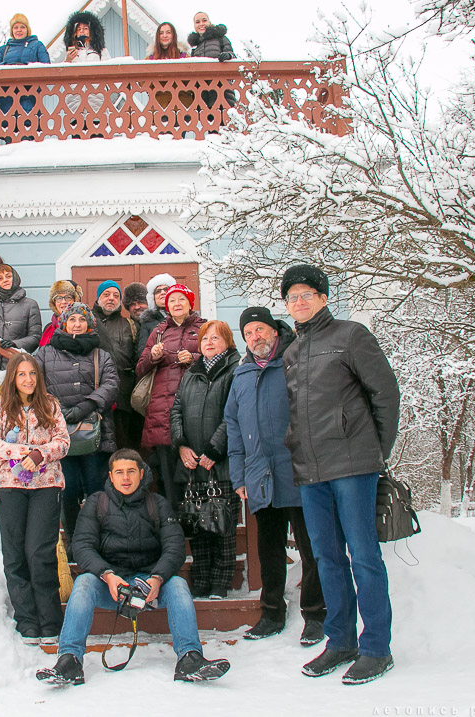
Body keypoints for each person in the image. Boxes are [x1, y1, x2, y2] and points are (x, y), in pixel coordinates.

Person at [280, 265, 400, 685]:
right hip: (311, 471)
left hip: (353, 465)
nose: (298, 302)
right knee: (327, 558)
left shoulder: (351, 336)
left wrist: (375, 452)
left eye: (306, 294)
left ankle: (376, 648)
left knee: (364, 556)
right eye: (292, 297)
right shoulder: (291, 353)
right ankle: (340, 641)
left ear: (324, 297)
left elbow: (385, 394)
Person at [37, 449, 231, 685]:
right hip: (111, 585)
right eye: (119, 472)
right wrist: (107, 575)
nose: (125, 478)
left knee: (178, 584)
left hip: (149, 585)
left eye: (131, 472)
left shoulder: (158, 503)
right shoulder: (96, 504)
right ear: (110, 476)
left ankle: (190, 657)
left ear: (141, 474)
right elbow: (82, 546)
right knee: (84, 582)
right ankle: (69, 660)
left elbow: (174, 547)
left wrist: (158, 578)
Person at [224, 307, 326, 644]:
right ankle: (271, 613)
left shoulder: (294, 361)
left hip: (299, 472)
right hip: (259, 476)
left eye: (259, 330)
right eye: (248, 333)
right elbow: (234, 429)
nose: (255, 337)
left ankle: (315, 615)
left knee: (312, 549)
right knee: (268, 550)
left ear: (274, 332)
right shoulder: (241, 376)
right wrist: (239, 477)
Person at [0, 353, 70, 645]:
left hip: (46, 485)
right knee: (15, 554)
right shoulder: (0, 408)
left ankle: (49, 622)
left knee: (39, 552)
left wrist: (40, 454)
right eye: (21, 374)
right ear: (12, 378)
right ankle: (27, 622)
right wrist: (21, 452)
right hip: (10, 486)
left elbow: (63, 442)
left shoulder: (51, 405)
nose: (28, 379)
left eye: (32, 373)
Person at [170, 320, 241, 599]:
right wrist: (181, 446)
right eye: (205, 339)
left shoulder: (236, 370)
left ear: (228, 341)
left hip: (220, 464)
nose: (209, 343)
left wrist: (214, 450)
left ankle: (220, 583)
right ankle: (200, 580)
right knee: (199, 525)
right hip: (192, 465)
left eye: (216, 338)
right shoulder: (191, 373)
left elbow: (233, 414)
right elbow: (176, 410)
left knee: (222, 526)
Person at [35, 303, 118, 535]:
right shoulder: (45, 353)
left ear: (90, 324)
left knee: (96, 490)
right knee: (67, 490)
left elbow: (111, 384)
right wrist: (55, 410)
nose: (77, 324)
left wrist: (87, 405)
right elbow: (34, 383)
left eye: (82, 320)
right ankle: (73, 540)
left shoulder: (101, 355)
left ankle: (97, 538)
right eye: (72, 320)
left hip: (94, 432)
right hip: (59, 434)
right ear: (63, 323)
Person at [135, 283, 204, 508]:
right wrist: (153, 356)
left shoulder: (203, 328)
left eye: (181, 300)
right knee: (167, 473)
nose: (176, 304)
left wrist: (193, 358)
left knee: (195, 468)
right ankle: (172, 522)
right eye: (172, 301)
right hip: (162, 409)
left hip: (195, 407)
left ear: (190, 304)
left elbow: (219, 359)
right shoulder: (158, 331)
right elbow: (140, 369)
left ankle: (197, 522)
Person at [92, 280, 141, 451]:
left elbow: (138, 360)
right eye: (106, 294)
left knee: (122, 447)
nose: (111, 298)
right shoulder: (85, 321)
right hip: (92, 396)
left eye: (116, 295)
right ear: (98, 298)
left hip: (122, 399)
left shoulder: (130, 325)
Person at [0, 14, 50, 139]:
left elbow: (46, 67)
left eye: (22, 27)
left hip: (29, 94)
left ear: (27, 29)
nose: (19, 30)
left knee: (28, 130)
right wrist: (8, 65)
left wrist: (25, 67)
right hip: (6, 96)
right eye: (16, 27)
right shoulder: (3, 49)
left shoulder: (37, 45)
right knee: (9, 132)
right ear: (12, 30)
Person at [187, 12, 236, 113]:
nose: (201, 24)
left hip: (221, 89)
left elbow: (232, 56)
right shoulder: (196, 46)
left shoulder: (220, 38)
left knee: (222, 122)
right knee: (208, 124)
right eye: (197, 22)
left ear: (209, 22)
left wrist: (227, 56)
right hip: (202, 92)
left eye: (204, 20)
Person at [136, 273, 175, 354]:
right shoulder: (147, 322)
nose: (162, 292)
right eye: (158, 291)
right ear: (153, 298)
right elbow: (142, 353)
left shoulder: (185, 317)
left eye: (166, 289)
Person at [39, 280, 79, 348]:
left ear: (75, 300)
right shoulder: (48, 328)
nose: (63, 302)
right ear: (54, 303)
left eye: (68, 297)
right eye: (59, 298)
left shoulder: (81, 325)